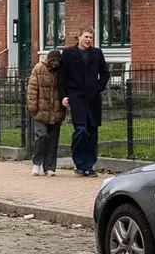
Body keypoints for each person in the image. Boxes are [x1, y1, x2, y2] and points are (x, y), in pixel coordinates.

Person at [56, 28, 110, 176]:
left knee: (92, 131)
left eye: (91, 38)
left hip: (93, 98)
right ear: (78, 37)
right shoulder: (68, 53)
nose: (88, 40)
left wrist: (97, 87)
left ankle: (90, 166)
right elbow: (62, 76)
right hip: (76, 96)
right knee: (80, 130)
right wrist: (63, 95)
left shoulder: (97, 53)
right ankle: (79, 163)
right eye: (86, 37)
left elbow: (105, 73)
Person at [24, 49, 65, 175]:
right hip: (41, 110)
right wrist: (33, 108)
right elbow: (32, 89)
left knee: (53, 140)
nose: (55, 64)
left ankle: (50, 167)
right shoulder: (39, 69)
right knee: (41, 136)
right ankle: (36, 162)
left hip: (56, 110)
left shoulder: (61, 71)